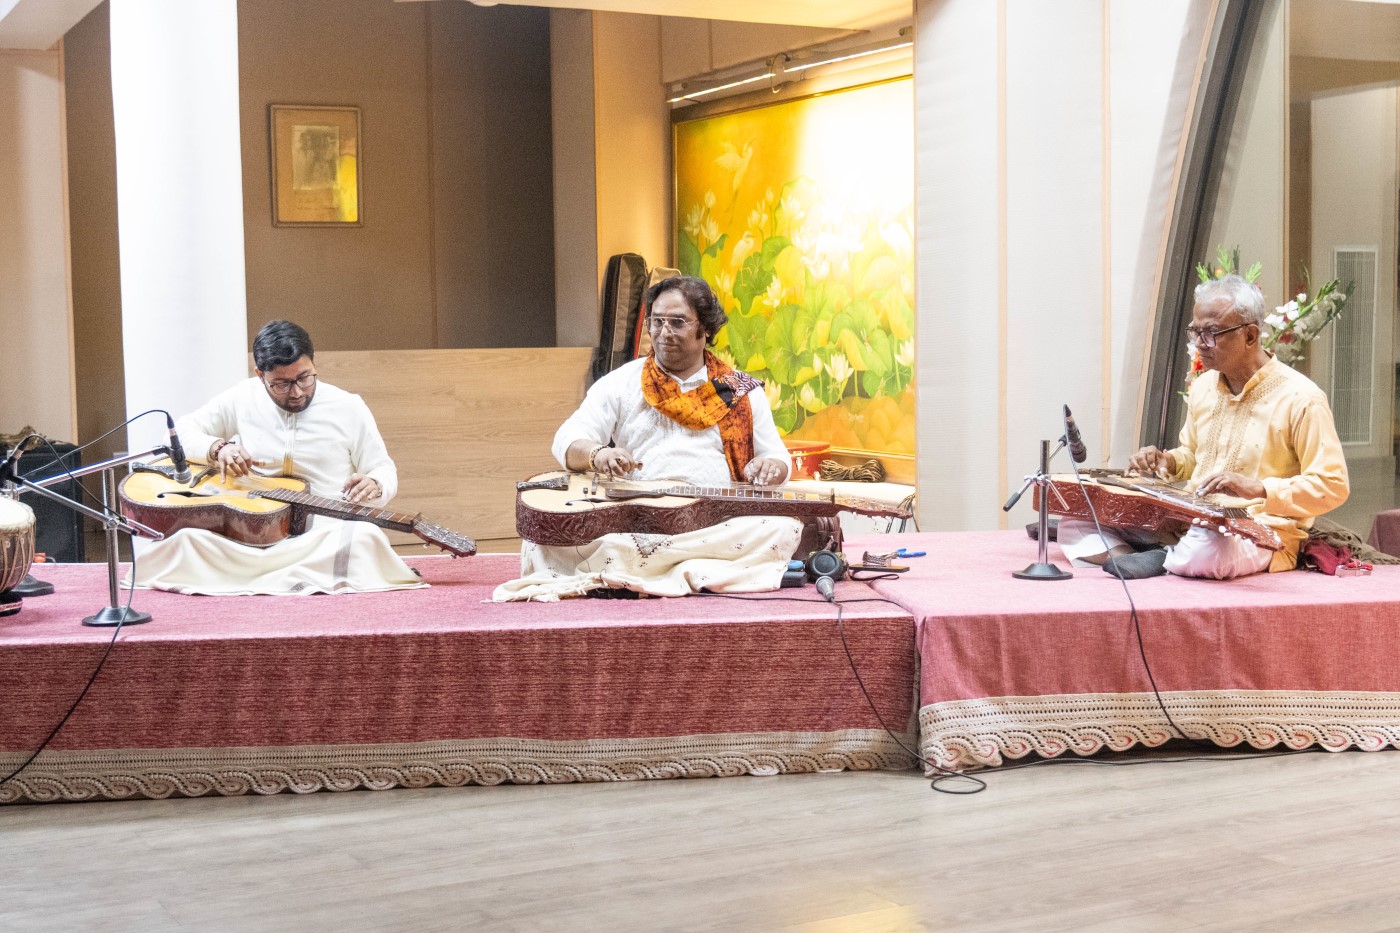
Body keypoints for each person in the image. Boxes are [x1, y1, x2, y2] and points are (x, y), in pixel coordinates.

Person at [495, 276, 796, 600]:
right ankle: (695, 571)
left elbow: (778, 458)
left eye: (677, 322)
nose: (664, 332)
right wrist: (598, 454)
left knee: (783, 527)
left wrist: (770, 467)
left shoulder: (739, 390)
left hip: (715, 520)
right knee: (545, 539)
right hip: (637, 521)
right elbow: (567, 438)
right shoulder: (623, 383)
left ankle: (636, 573)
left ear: (706, 329)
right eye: (657, 321)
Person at [1059, 274, 1350, 579]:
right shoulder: (1204, 387)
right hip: (1189, 520)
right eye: (1195, 332)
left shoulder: (1301, 398)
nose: (1199, 344)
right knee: (1076, 518)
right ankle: (1140, 558)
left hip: (1256, 532)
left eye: (1211, 333)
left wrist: (1260, 488)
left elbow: (1332, 485)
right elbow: (1192, 455)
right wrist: (1165, 461)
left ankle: (1162, 558)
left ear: (1251, 336)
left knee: (1209, 548)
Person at [134, 320, 421, 595]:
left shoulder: (348, 407)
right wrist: (218, 448)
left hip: (321, 535)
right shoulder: (243, 397)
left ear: (313, 364)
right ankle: (293, 577)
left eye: (304, 378)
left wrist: (375, 483)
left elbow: (382, 467)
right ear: (260, 375)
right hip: (249, 533)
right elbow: (178, 434)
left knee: (364, 538)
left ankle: (249, 578)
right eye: (281, 384)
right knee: (184, 540)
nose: (296, 392)